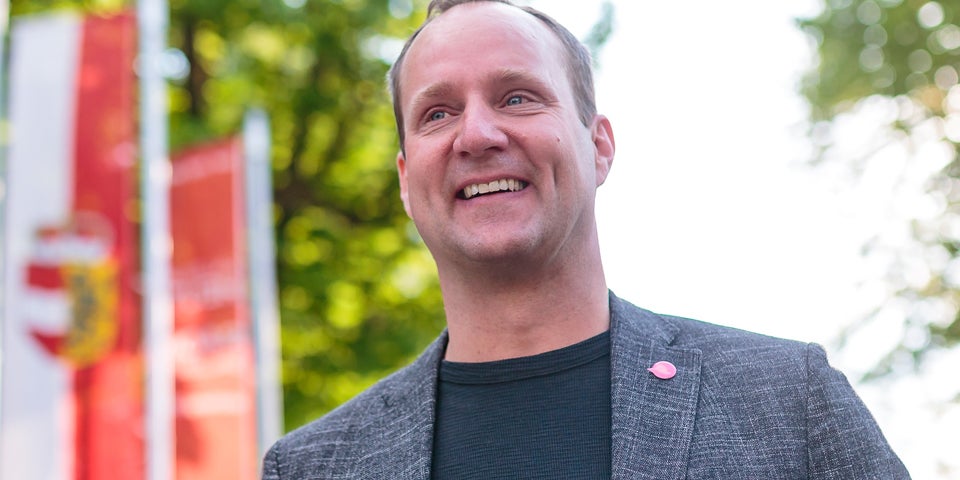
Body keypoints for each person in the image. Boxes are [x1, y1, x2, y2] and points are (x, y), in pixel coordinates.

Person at [261, 1, 911, 478]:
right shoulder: (314, 466)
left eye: (517, 98)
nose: (478, 134)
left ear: (599, 147)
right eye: (438, 112)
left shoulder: (786, 401)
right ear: (407, 180)